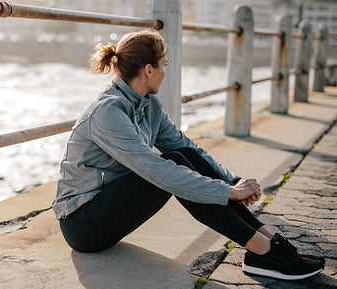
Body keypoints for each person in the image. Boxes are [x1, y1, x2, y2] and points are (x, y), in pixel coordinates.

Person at [52, 30, 324, 281]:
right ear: (149, 69)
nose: (165, 71)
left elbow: (188, 148)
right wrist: (228, 192)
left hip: (110, 208)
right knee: (173, 164)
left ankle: (266, 241)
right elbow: (156, 170)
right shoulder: (108, 113)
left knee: (182, 154)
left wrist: (233, 180)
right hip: (82, 225)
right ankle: (262, 250)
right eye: (164, 64)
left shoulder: (149, 106)